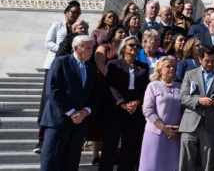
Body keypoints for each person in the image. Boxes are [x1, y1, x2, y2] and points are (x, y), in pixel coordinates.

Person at [40, 34, 96, 171]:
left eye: (92, 48)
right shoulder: (61, 62)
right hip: (58, 121)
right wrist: (71, 112)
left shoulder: (91, 67)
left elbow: (94, 94)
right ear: (76, 48)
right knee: (51, 162)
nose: (91, 51)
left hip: (79, 123)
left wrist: (85, 111)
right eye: (87, 47)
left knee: (71, 163)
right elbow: (53, 91)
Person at [179, 45, 214, 171]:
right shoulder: (190, 74)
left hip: (211, 124)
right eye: (206, 60)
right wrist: (198, 100)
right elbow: (183, 97)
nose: (209, 64)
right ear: (200, 59)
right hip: (190, 123)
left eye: (213, 61)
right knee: (186, 160)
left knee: (208, 162)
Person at [101, 35, 150, 171]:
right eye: (132, 45)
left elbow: (146, 87)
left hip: (135, 109)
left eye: (137, 46)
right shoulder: (114, 64)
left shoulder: (143, 67)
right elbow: (111, 86)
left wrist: (138, 101)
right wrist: (122, 103)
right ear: (124, 48)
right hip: (116, 108)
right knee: (110, 145)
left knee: (130, 146)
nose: (135, 48)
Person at [87, 25, 126, 165]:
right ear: (113, 34)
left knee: (114, 124)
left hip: (120, 90)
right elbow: (100, 64)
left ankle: (113, 154)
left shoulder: (126, 49)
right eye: (120, 32)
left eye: (124, 33)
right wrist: (112, 79)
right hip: (104, 87)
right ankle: (96, 154)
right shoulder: (104, 47)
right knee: (99, 122)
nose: (123, 34)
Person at [138, 56, 182, 171]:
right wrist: (163, 128)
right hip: (155, 133)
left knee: (172, 166)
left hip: (174, 135)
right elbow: (147, 109)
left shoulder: (180, 87)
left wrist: (179, 128)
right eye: (168, 66)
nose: (171, 69)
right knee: (152, 166)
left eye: (173, 66)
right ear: (160, 69)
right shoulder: (153, 86)